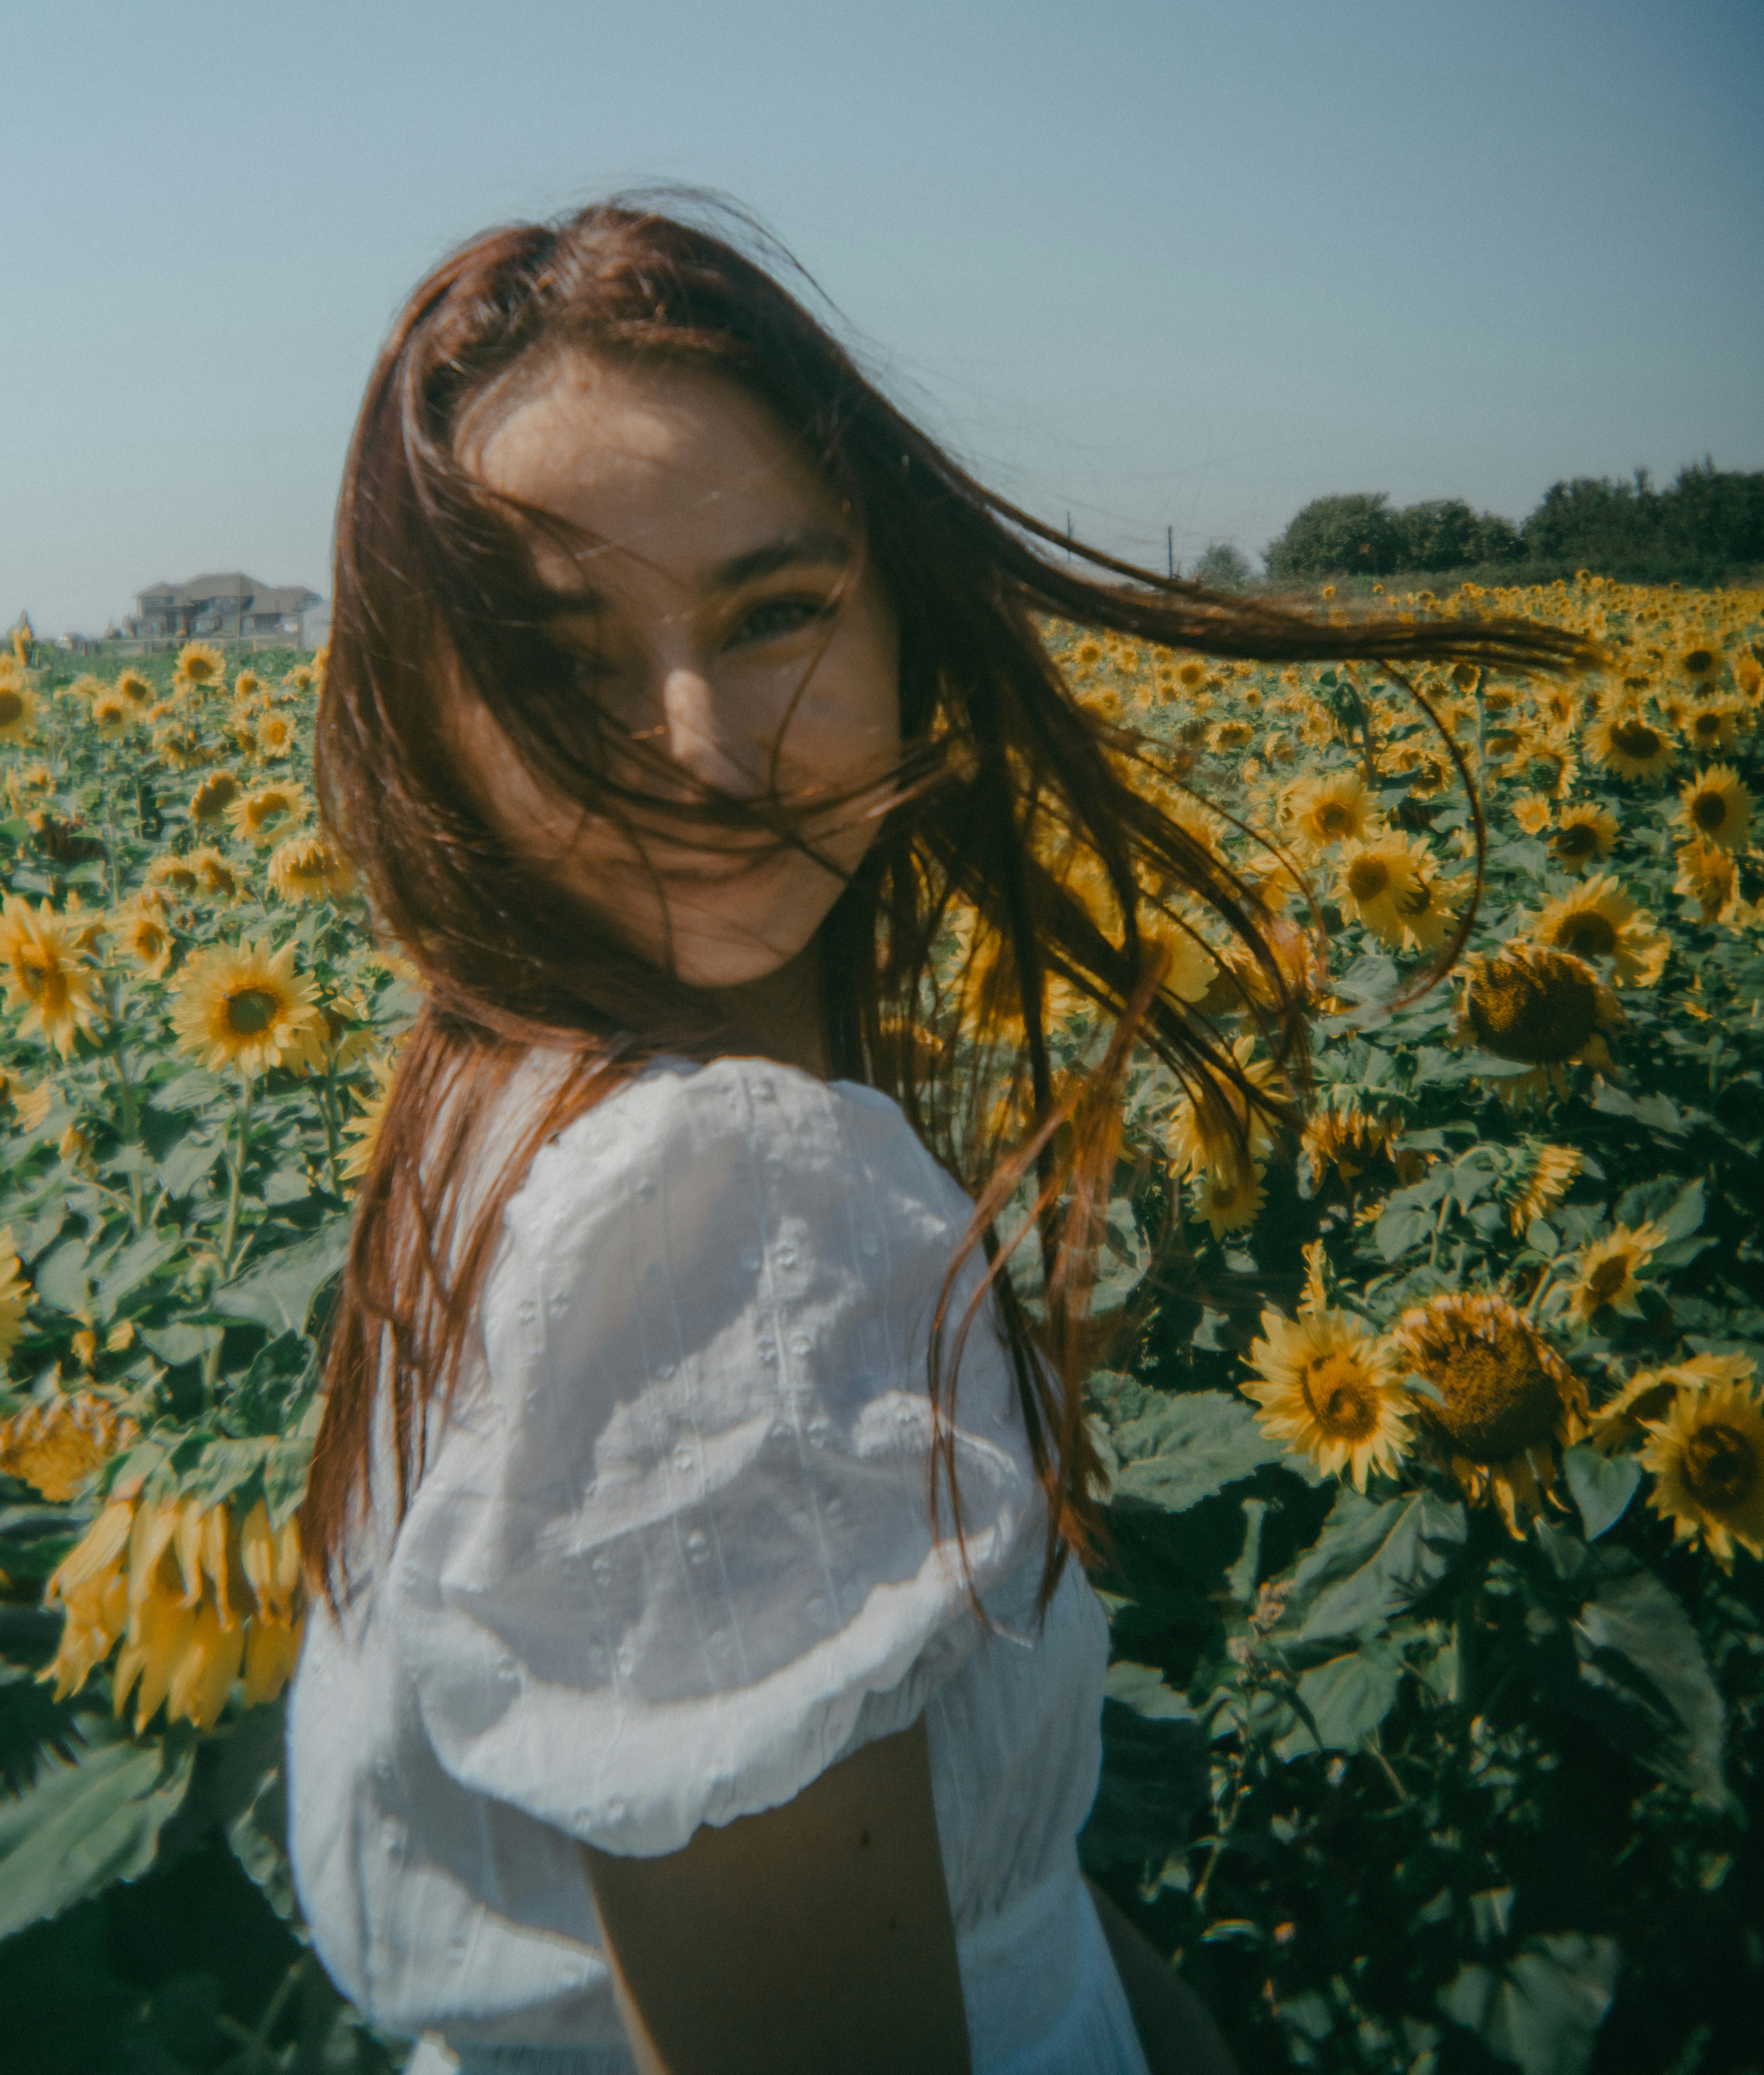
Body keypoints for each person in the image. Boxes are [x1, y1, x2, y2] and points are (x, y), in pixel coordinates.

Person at [287, 197, 1576, 2074]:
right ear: (433, 719)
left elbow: (968, 1881)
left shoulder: (487, 1093)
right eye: (563, 664)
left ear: (901, 616)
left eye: (776, 611)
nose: (702, 749)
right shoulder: (712, 1210)